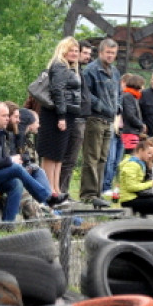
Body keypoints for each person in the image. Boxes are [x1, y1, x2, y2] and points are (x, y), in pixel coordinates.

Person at [0, 100, 66, 222]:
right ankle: (46, 198)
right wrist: (10, 160)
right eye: (4, 116)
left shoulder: (0, 132)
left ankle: (8, 224)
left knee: (17, 183)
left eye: (8, 116)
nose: (7, 119)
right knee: (17, 169)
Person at [36, 37, 83, 194]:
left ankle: (55, 187)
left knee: (59, 154)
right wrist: (61, 116)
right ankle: (48, 188)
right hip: (55, 114)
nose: (75, 53)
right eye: (71, 50)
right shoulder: (59, 66)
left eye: (77, 51)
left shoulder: (69, 68)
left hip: (66, 113)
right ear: (64, 50)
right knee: (51, 153)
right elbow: (58, 91)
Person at [80, 38, 121, 208]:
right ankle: (88, 194)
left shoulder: (115, 72)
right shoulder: (90, 71)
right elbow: (87, 95)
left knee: (104, 158)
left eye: (113, 53)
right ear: (101, 52)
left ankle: (98, 192)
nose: (110, 56)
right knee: (92, 156)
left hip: (109, 120)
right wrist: (104, 108)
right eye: (108, 53)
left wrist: (118, 109)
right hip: (95, 118)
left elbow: (119, 94)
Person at [60, 39, 93, 196]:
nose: (86, 56)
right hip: (74, 118)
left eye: (88, 53)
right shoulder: (69, 72)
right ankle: (61, 192)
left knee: (71, 160)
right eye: (84, 53)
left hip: (81, 118)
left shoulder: (80, 72)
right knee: (68, 158)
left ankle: (64, 191)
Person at [118, 137, 153, 217]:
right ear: (141, 151)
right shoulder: (132, 164)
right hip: (129, 199)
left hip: (135, 197)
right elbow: (131, 187)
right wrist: (150, 184)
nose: (149, 156)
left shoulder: (139, 164)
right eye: (148, 153)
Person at [119, 73, 146, 155]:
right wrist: (141, 125)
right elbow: (130, 115)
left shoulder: (133, 97)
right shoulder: (128, 96)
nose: (143, 88)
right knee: (130, 156)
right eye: (142, 85)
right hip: (129, 133)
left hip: (132, 132)